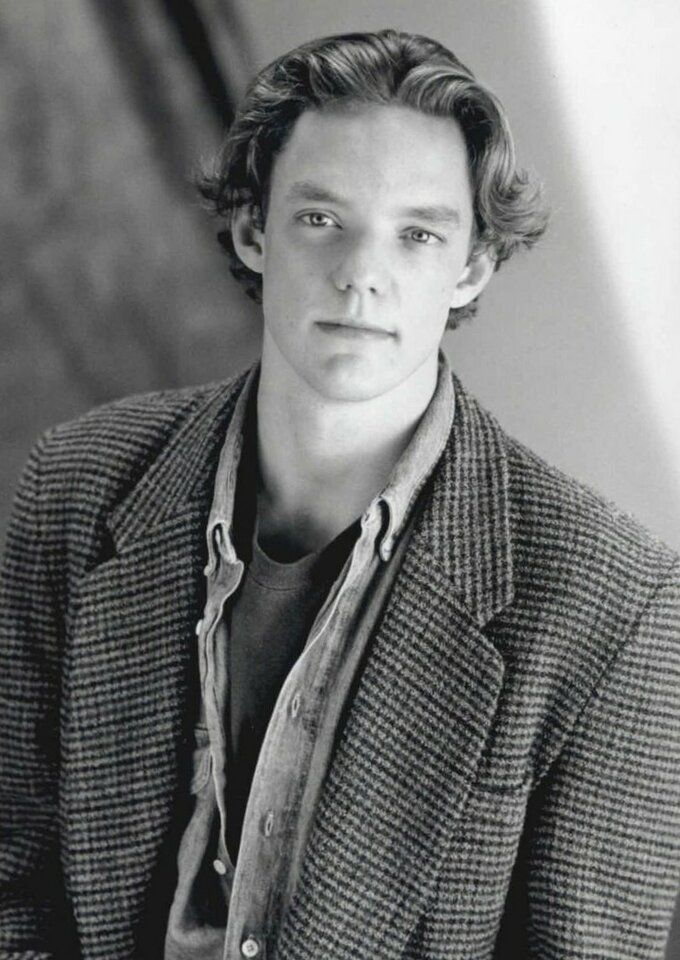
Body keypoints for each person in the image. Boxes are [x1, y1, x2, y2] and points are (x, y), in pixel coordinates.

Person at [1, 28, 679, 960]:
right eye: (322, 218)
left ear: (472, 266)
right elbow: (11, 882)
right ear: (254, 231)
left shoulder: (618, 605)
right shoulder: (76, 485)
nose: (363, 273)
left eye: (417, 234)